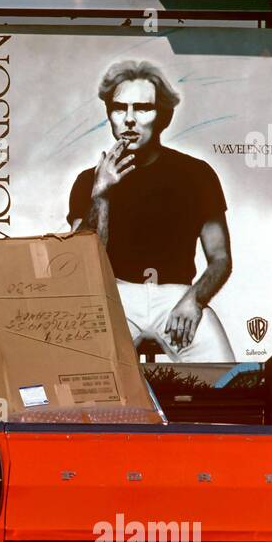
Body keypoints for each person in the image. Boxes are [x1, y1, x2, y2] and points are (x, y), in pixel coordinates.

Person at [67, 60, 234, 361]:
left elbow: (220, 258)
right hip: (113, 296)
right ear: (109, 115)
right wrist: (101, 193)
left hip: (177, 296)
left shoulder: (197, 174)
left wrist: (194, 300)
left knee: (225, 376)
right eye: (120, 108)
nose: (130, 119)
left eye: (143, 108)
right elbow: (84, 262)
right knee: (79, 372)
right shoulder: (87, 181)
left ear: (163, 117)